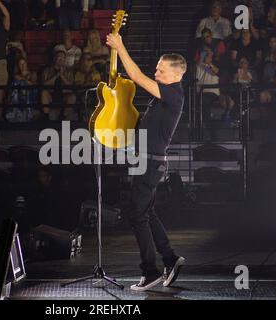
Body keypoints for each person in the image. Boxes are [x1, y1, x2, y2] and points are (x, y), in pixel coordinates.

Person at [106, 33, 186, 291]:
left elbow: (139, 78)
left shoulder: (173, 94)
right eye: (157, 69)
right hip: (146, 162)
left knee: (137, 216)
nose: (157, 73)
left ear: (176, 75)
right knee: (145, 213)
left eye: (161, 71)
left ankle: (150, 272)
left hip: (151, 164)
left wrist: (120, 47)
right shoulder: (162, 99)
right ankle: (170, 259)